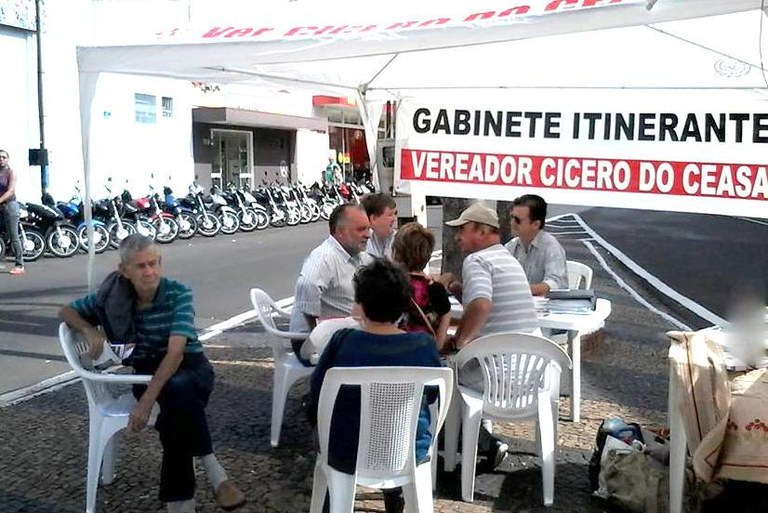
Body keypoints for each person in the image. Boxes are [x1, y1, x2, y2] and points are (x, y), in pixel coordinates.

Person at [59, 235, 245, 513]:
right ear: (124, 270)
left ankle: (180, 502)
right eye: (140, 266)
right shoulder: (115, 297)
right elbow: (66, 311)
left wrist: (145, 404)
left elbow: (176, 353)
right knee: (177, 409)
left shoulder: (177, 292)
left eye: (153, 263)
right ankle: (214, 472)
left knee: (179, 389)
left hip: (191, 367)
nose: (150, 272)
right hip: (145, 374)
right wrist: (89, 329)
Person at [308, 258, 442, 513]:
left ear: (360, 304)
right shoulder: (424, 346)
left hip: (346, 453)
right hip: (408, 453)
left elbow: (318, 394)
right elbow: (433, 396)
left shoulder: (343, 342)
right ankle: (396, 496)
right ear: (404, 304)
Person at [443, 203, 539, 468]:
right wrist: (464, 295)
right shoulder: (509, 259)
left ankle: (469, 443)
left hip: (496, 380)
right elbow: (488, 307)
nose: (457, 236)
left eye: (462, 229)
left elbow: (482, 306)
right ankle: (478, 439)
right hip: (529, 377)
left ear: (482, 230)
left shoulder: (477, 260)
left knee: (441, 372)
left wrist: (457, 341)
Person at [288, 204, 372, 363]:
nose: (368, 235)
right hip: (311, 340)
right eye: (361, 229)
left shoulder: (359, 256)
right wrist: (318, 334)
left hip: (345, 331)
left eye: (368, 228)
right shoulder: (323, 258)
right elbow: (307, 286)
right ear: (340, 232)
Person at [392, 222, 451, 350]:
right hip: (425, 359)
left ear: (397, 253)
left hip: (393, 357)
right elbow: (439, 344)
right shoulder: (437, 289)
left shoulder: (389, 286)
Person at [504, 194, 567, 296]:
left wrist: (522, 291)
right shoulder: (511, 246)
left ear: (536, 224)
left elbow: (556, 284)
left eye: (517, 220)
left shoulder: (551, 247)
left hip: (546, 308)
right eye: (511, 217)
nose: (512, 223)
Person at [0, 150, 25, 275]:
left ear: (7, 159)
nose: (1, 159)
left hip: (10, 206)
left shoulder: (11, 173)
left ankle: (19, 264)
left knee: (13, 236)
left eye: (4, 157)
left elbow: (10, 191)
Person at [361, 192, 397, 258]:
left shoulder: (399, 240)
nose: (394, 219)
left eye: (395, 214)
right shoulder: (360, 244)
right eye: (390, 215)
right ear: (373, 219)